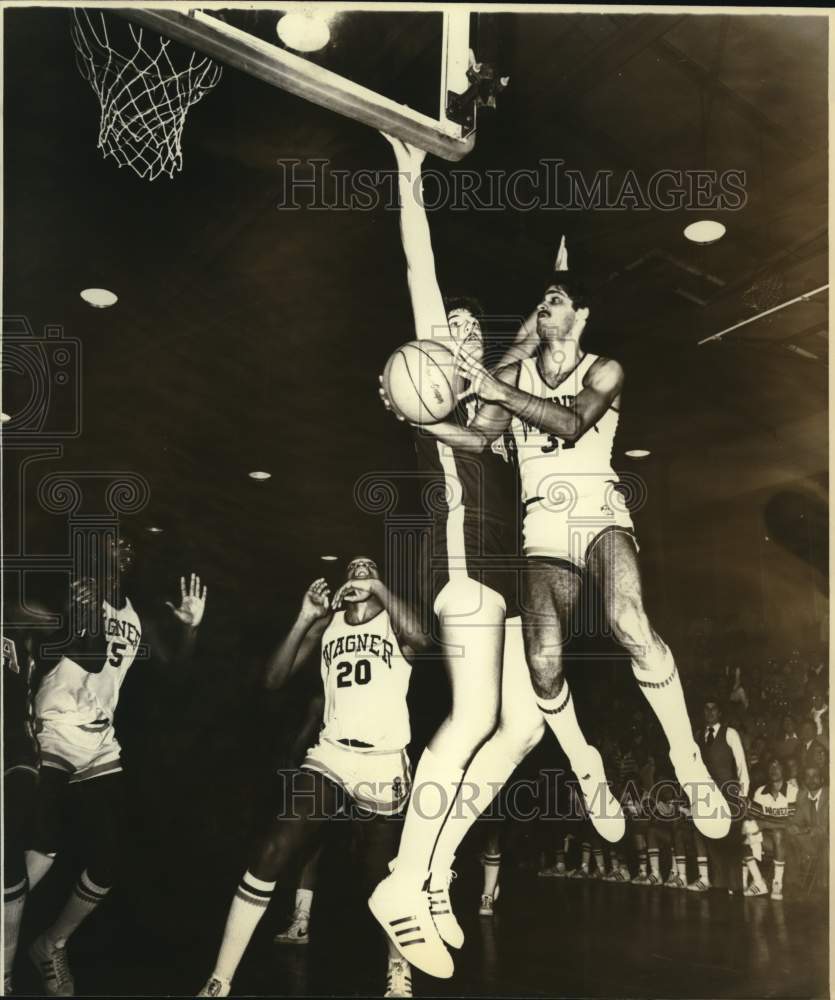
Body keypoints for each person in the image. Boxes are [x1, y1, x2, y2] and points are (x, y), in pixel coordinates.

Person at [371, 136, 619, 981]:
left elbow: (539, 397)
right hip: (460, 564)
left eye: (475, 330)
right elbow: (420, 270)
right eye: (453, 327)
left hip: (505, 572)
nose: (463, 334)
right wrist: (409, 177)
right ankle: (402, 882)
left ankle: (435, 871)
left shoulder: (493, 401)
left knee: (521, 726)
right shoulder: (434, 373)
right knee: (472, 716)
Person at [455, 274, 731, 842]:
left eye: (554, 300)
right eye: (540, 301)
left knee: (629, 622)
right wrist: (420, 414)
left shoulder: (605, 370)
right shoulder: (515, 374)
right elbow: (478, 440)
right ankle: (586, 766)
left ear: (581, 315)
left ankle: (688, 760)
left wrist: (498, 391)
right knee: (542, 662)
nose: (543, 307)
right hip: (543, 521)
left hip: (598, 510)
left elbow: (573, 422)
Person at [198, 559, 426, 999]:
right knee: (272, 849)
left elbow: (422, 638)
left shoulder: (395, 625)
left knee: (381, 878)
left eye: (369, 569)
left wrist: (380, 587)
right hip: (332, 754)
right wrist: (305, 618)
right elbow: (273, 679)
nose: (359, 572)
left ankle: (398, 968)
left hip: (383, 761)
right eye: (354, 569)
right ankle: (219, 980)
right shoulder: (329, 627)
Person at [24, 537, 207, 997]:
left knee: (107, 861)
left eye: (129, 545)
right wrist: (68, 615)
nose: (123, 548)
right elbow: (45, 629)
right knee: (43, 842)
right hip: (56, 725)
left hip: (100, 741)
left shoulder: (136, 616)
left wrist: (190, 629)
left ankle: (51, 944)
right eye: (112, 541)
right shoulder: (75, 591)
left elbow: (175, 674)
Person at [3, 599, 52, 993]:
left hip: (16, 747)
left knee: (43, 842)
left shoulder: (17, 616)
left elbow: (46, 619)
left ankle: (4, 976)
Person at [687, 699, 748, 893]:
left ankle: (735, 885)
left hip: (728, 793)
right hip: (706, 795)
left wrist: (743, 794)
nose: (710, 712)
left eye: (714, 709)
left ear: (720, 712)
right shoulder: (698, 736)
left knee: (730, 837)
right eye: (706, 709)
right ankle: (714, 881)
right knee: (707, 834)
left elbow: (741, 764)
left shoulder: (730, 733)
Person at [745, 759, 798, 900]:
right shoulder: (760, 791)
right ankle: (758, 881)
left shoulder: (793, 791)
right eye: (771, 767)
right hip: (768, 840)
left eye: (778, 766)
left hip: (789, 842)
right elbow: (754, 820)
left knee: (778, 833)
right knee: (743, 833)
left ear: (784, 770)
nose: (774, 770)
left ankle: (777, 883)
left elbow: (791, 824)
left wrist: (766, 823)